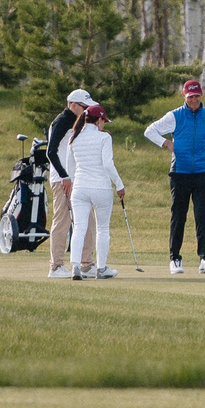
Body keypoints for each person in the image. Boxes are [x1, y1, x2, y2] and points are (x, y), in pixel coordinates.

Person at [143, 77, 205, 276]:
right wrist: (166, 144)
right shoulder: (175, 116)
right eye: (190, 97)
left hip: (202, 173)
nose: (193, 100)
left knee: (201, 216)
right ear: (183, 96)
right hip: (180, 173)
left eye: (196, 96)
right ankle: (175, 258)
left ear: (201, 95)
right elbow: (150, 131)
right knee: (179, 216)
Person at [64, 103, 124, 280]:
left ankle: (75, 266)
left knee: (79, 228)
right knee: (102, 228)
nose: (104, 124)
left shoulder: (74, 138)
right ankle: (101, 268)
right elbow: (107, 164)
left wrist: (75, 185)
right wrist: (119, 185)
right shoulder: (104, 137)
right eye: (103, 120)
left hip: (80, 188)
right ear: (98, 120)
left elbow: (70, 168)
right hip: (101, 188)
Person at [45, 87, 92, 279]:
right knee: (62, 221)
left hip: (77, 178)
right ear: (73, 105)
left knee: (87, 219)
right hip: (61, 179)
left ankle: (87, 265)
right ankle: (56, 266)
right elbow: (51, 152)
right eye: (84, 107)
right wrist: (64, 176)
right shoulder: (62, 120)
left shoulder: (77, 121)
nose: (86, 110)